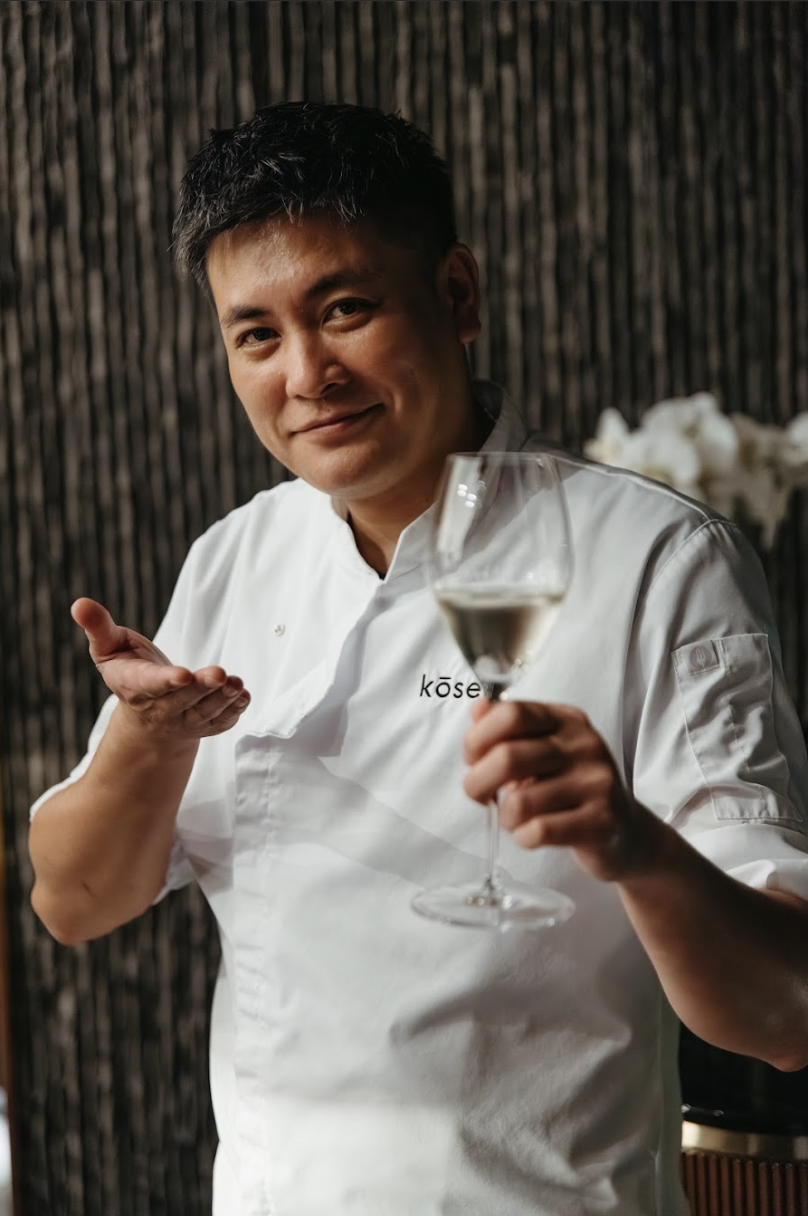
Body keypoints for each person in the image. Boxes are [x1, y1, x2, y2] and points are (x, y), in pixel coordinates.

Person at [29, 101, 808, 1216]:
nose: (306, 373)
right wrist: (148, 745)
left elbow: (783, 1015)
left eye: (344, 309)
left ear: (456, 295)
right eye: (256, 334)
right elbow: (73, 902)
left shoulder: (655, 557)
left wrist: (629, 842)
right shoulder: (233, 560)